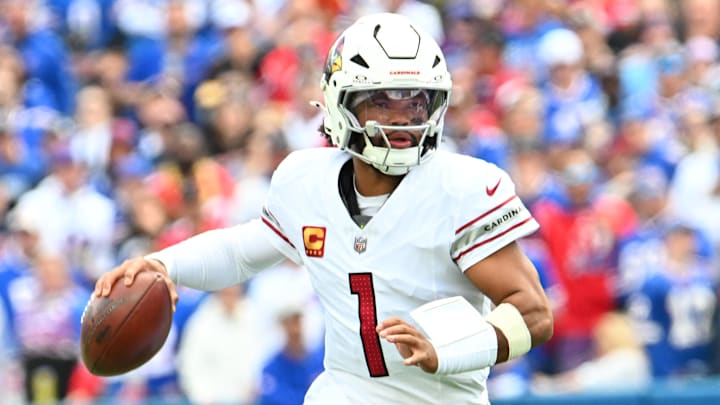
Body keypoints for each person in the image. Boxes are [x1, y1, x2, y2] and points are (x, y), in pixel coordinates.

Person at [94, 13, 553, 404]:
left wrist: (450, 349)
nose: (401, 118)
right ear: (339, 102)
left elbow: (534, 314)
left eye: (415, 102)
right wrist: (162, 264)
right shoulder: (305, 180)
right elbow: (242, 250)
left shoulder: (463, 188)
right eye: (380, 101)